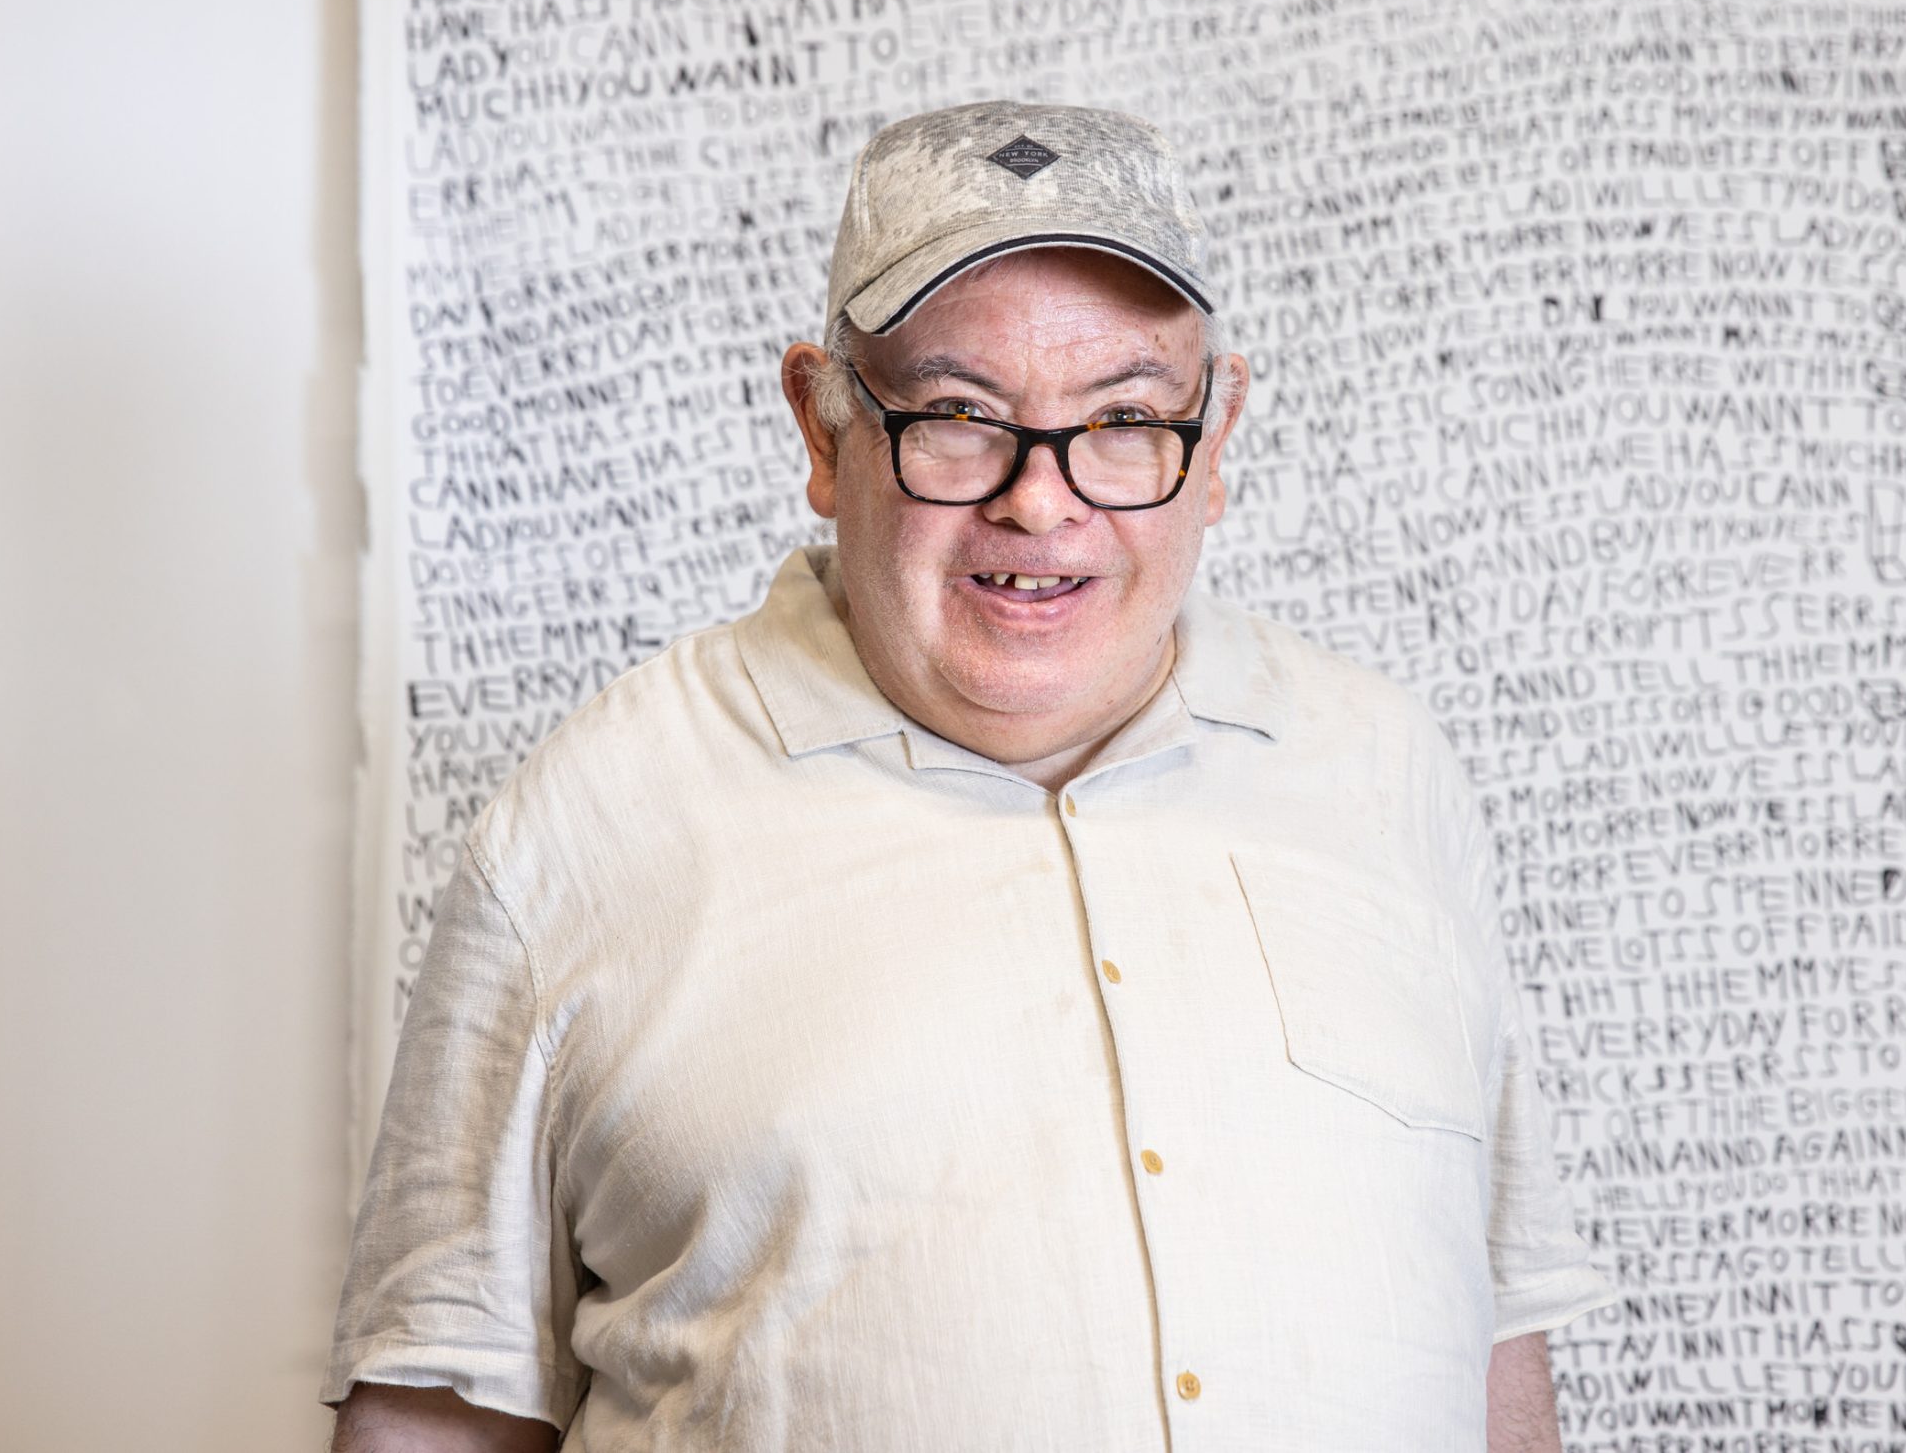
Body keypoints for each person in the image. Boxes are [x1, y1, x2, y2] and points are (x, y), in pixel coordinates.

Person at [322, 98, 1611, 1452]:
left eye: (1122, 418)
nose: (1040, 503)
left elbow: (1492, 1342)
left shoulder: (1386, 777)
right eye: (956, 415)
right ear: (824, 433)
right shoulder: (584, 829)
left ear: (1215, 439)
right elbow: (435, 1417)